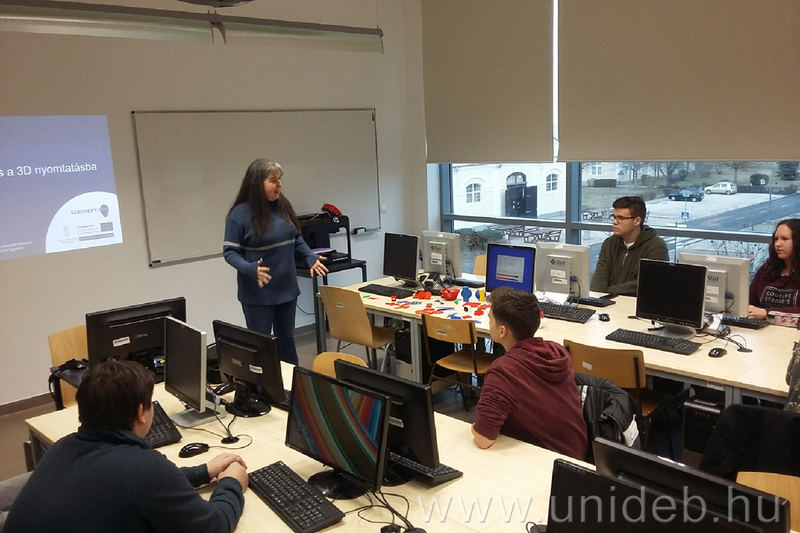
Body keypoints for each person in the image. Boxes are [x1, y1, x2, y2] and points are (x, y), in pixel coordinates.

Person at [5, 360, 248, 533]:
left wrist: (203, 471)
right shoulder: (145, 468)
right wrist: (231, 483)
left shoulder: (63, 447)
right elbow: (212, 526)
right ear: (141, 413)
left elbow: (141, 484)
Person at [224, 158, 328, 365]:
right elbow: (230, 252)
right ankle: (265, 386)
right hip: (257, 294)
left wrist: (310, 256)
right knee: (262, 348)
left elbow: (295, 237)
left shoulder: (282, 206)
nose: (279, 185)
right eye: (273, 181)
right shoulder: (239, 215)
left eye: (280, 179)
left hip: (287, 290)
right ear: (257, 183)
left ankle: (291, 384)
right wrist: (250, 269)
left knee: (287, 343)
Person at [471, 286, 588, 460]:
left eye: (490, 319)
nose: (488, 323)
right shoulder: (557, 351)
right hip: (576, 456)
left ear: (502, 331)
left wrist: (474, 426)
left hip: (546, 462)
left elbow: (483, 439)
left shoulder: (503, 371)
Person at [590, 195, 669, 297]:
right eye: (614, 217)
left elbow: (644, 284)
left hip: (637, 303)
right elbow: (600, 276)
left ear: (637, 221)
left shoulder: (656, 247)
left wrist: (609, 291)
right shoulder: (609, 243)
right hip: (609, 300)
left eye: (621, 218)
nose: (615, 222)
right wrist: (595, 297)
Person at [748, 219, 800, 319]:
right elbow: (751, 301)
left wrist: (767, 312)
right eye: (776, 239)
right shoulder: (766, 270)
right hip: (761, 326)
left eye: (784, 239)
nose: (778, 244)